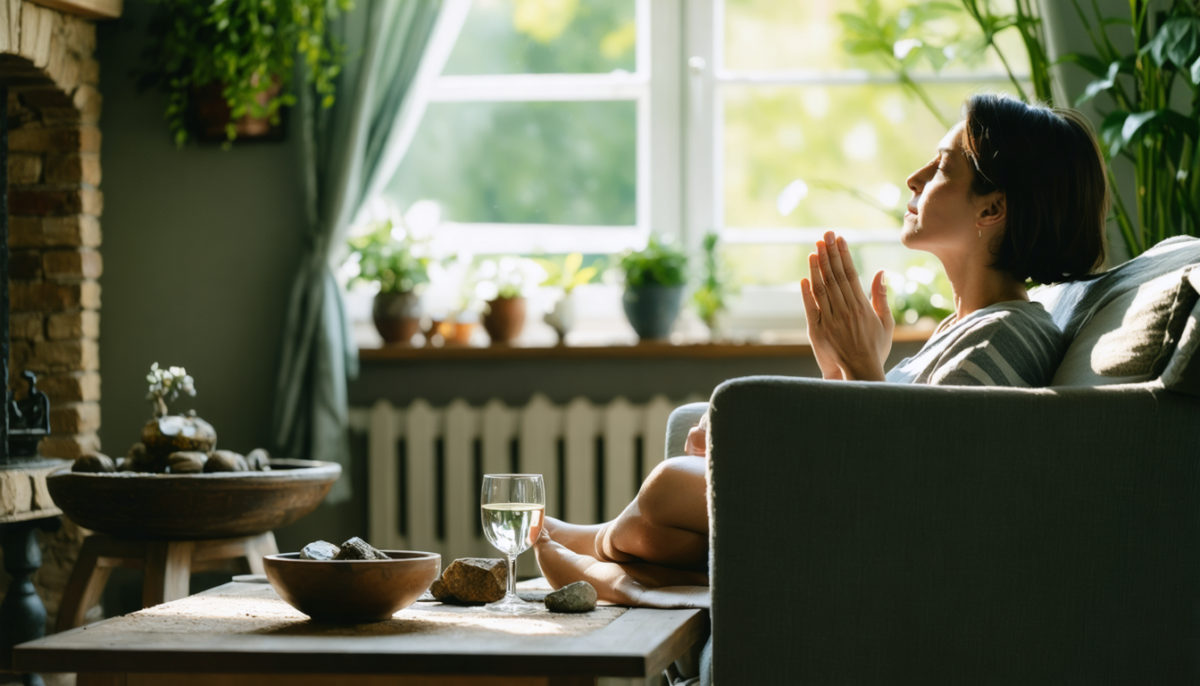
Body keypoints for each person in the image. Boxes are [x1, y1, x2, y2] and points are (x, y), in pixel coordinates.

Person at [534, 93, 1110, 608]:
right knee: (678, 505)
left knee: (669, 485)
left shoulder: (1006, 332)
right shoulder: (968, 325)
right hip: (854, 509)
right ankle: (611, 571)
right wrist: (843, 369)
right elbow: (880, 445)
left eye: (942, 169)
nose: (915, 177)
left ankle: (599, 559)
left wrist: (862, 368)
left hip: (868, 539)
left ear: (991, 209)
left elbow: (928, 491)